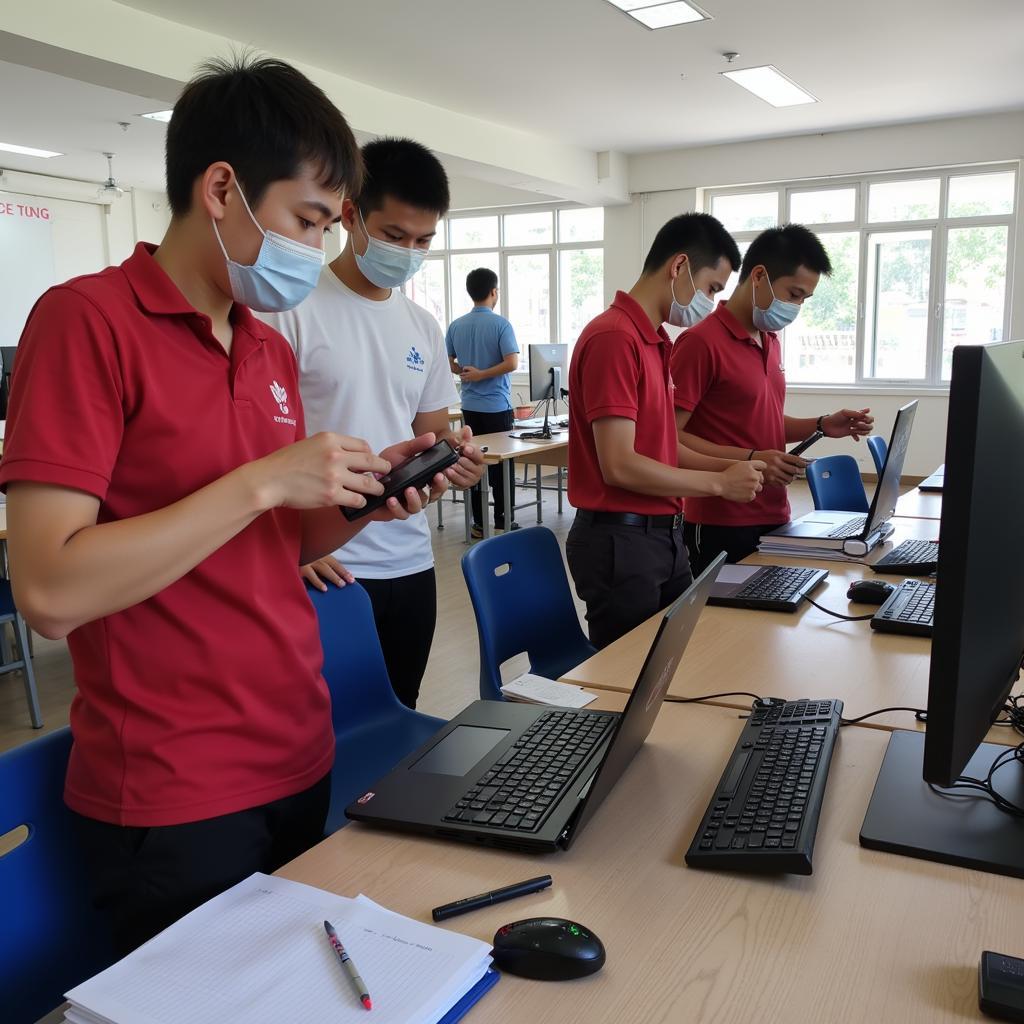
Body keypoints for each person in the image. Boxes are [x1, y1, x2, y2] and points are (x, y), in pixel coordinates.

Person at [0, 56, 453, 956]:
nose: (319, 249)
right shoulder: (86, 323)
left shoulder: (264, 346)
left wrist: (369, 498)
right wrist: (261, 480)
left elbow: (273, 546)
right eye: (308, 220)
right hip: (177, 785)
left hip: (295, 741)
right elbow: (49, 589)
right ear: (221, 189)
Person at [262, 138, 485, 710]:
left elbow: (433, 435)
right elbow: (260, 453)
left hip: (410, 562)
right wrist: (297, 549)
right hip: (325, 569)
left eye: (423, 242)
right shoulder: (289, 309)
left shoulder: (422, 325)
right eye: (394, 236)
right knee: (326, 738)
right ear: (352, 216)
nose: (408, 253)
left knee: (399, 720)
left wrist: (455, 461)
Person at [566, 213, 766, 650]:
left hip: (660, 535)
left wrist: (738, 464)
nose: (711, 303)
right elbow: (619, 465)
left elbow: (665, 446)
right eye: (711, 288)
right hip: (621, 540)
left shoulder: (654, 340)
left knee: (670, 663)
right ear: (678, 268)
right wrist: (717, 482)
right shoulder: (614, 338)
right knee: (626, 679)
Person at [671, 224, 874, 573]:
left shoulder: (770, 339)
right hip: (721, 518)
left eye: (803, 300)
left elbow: (760, 418)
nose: (796, 307)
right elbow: (670, 436)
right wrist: (752, 458)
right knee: (723, 625)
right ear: (759, 276)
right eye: (793, 294)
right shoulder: (700, 343)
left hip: (774, 513)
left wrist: (823, 425)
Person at [445, 268, 519, 537]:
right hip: (497, 407)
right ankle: (503, 520)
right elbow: (512, 362)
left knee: (472, 461)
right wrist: (482, 374)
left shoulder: (456, 325)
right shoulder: (501, 324)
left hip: (470, 406)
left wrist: (465, 373)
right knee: (502, 465)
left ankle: (478, 523)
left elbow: (446, 361)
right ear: (493, 292)